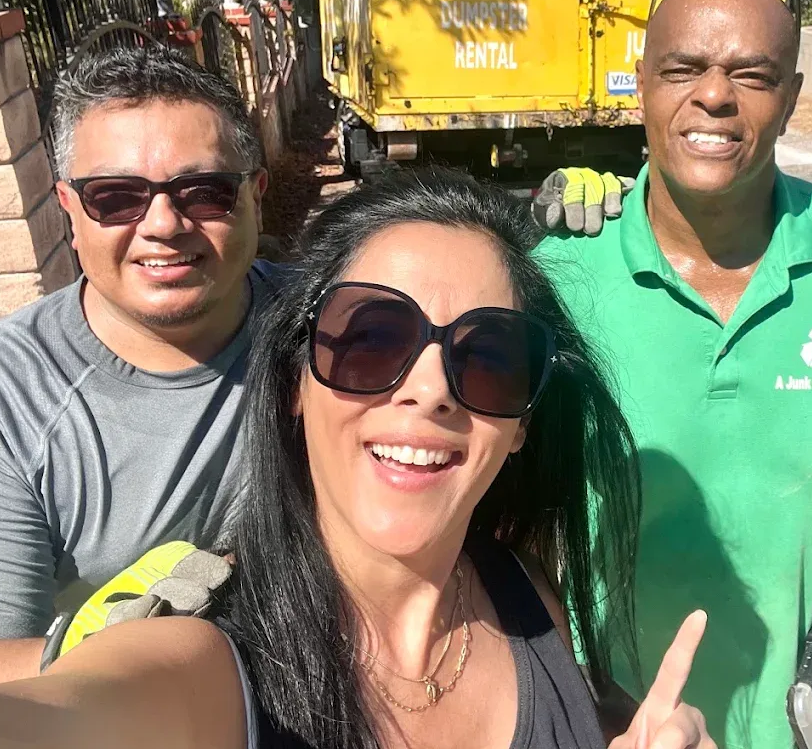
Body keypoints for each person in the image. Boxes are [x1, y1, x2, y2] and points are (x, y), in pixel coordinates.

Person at [0, 170, 714, 749]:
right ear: (294, 384)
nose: (430, 390)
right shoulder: (207, 667)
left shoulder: (525, 594)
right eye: (371, 337)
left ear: (522, 422)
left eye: (489, 356)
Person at [534, 0, 812, 749]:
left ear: (791, 99)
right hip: (610, 718)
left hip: (810, 724)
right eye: (681, 68)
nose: (713, 96)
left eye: (751, 75)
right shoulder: (556, 272)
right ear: (642, 83)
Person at [0, 47, 276, 680]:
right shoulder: (15, 397)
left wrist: (553, 262)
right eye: (116, 196)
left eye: (204, 191)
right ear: (70, 210)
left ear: (254, 196)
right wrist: (107, 651)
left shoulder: (334, 329)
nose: (163, 224)